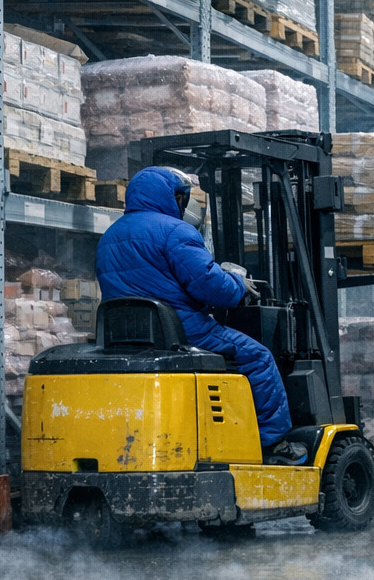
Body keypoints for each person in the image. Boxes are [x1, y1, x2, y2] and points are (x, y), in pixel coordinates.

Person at [95, 167, 307, 465]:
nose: (185, 205)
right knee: (258, 358)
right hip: (183, 330)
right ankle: (274, 444)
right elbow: (211, 287)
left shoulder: (109, 237)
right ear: (174, 198)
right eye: (183, 198)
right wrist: (237, 284)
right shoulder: (175, 232)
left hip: (129, 335)